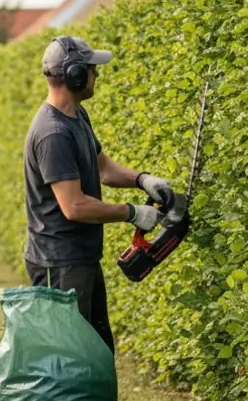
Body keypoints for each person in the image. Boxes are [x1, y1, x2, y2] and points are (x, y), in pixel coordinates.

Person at [23, 35, 176, 355]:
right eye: (92, 69)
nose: (97, 75)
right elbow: (74, 206)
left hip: (80, 257)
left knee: (96, 350)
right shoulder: (53, 133)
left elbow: (102, 167)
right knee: (69, 356)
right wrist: (132, 213)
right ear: (75, 74)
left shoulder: (76, 117)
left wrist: (142, 180)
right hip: (58, 261)